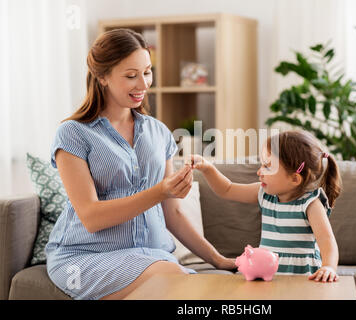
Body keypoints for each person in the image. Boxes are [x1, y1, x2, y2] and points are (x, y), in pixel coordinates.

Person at [45, 28, 235, 300]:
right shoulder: (74, 134)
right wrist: (161, 191)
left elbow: (174, 214)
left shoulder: (158, 132)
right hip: (87, 256)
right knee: (176, 282)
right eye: (131, 76)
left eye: (147, 72)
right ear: (102, 77)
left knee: (188, 284)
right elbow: (91, 217)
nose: (144, 84)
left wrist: (219, 260)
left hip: (153, 256)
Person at [191, 130, 342, 282]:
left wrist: (329, 267)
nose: (259, 172)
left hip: (303, 280)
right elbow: (227, 189)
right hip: (269, 279)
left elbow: (327, 241)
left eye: (268, 167)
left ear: (295, 179)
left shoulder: (310, 204)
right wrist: (208, 168)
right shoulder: (264, 194)